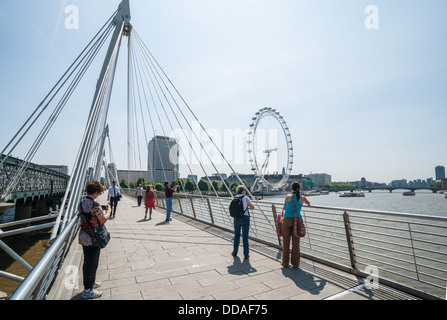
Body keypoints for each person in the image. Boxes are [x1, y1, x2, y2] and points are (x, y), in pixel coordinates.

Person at [78, 180, 111, 299]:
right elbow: (103, 220)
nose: (99, 195)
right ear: (96, 192)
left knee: (87, 262)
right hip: (93, 238)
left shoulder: (81, 204)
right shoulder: (95, 205)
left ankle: (90, 283)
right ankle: (88, 291)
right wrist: (109, 211)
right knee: (92, 264)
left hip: (84, 236)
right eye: (99, 193)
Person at [280, 182, 310, 268]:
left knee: (286, 242)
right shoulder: (302, 198)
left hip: (286, 220)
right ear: (299, 188)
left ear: (291, 188)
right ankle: (295, 263)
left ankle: (285, 263)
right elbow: (308, 203)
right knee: (296, 243)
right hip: (297, 220)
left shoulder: (287, 197)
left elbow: (284, 208)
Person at [231, 185, 255, 260]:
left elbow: (229, 208)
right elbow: (252, 207)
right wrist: (247, 207)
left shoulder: (234, 198)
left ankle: (235, 252)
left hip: (236, 218)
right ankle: (246, 255)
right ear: (243, 191)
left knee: (236, 236)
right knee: (245, 237)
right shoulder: (245, 198)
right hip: (245, 218)